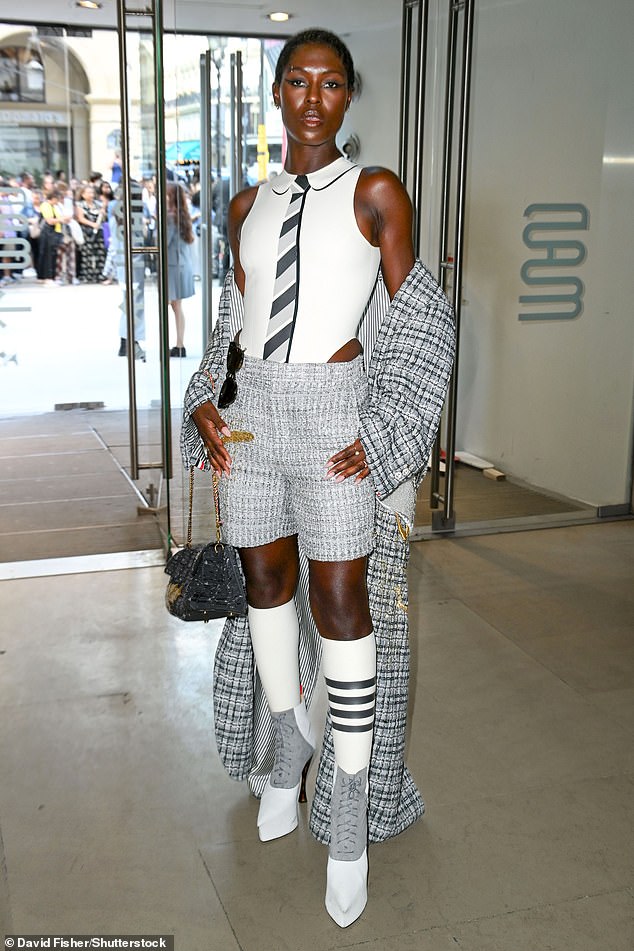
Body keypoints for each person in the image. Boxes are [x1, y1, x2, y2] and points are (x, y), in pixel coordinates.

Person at [180, 29, 455, 929]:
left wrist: (387, 431)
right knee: (265, 581)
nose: (311, 97)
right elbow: (234, 321)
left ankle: (346, 813)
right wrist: (206, 400)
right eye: (297, 80)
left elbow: (419, 320)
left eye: (330, 83)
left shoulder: (376, 194)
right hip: (255, 413)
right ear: (276, 91)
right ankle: (285, 737)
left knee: (341, 599)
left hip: (336, 412)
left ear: (348, 97)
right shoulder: (242, 206)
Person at [166, 181, 195, 357]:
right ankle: (179, 344)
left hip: (173, 265)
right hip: (181, 264)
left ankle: (179, 344)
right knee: (176, 306)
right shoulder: (182, 215)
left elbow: (164, 242)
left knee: (174, 305)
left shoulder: (170, 217)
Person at [75, 183, 106, 283]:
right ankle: (87, 275)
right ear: (83, 194)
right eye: (88, 192)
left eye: (92, 192)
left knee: (100, 253)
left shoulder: (98, 204)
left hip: (99, 230)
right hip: (87, 231)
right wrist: (92, 224)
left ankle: (99, 274)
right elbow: (80, 218)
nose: (91, 194)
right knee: (87, 253)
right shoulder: (80, 205)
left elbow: (103, 217)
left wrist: (103, 214)